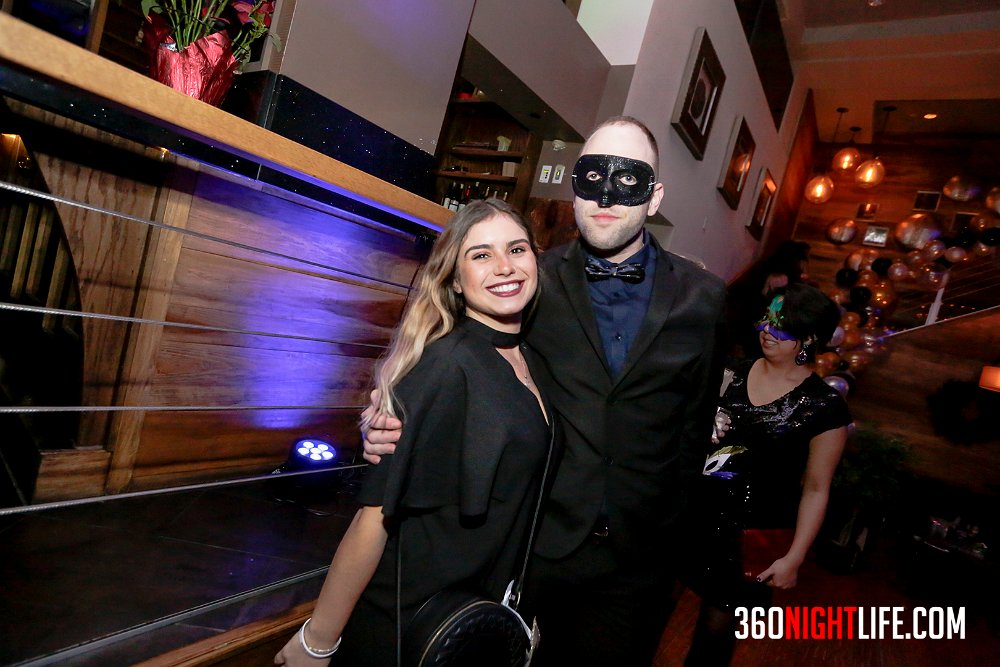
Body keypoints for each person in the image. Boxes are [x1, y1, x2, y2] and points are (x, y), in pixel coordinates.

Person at [364, 116, 727, 666]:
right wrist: (389, 409)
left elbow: (693, 425)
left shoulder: (706, 298)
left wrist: (668, 533)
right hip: (535, 541)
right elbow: (458, 351)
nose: (606, 194)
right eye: (592, 176)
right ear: (575, 189)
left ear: (654, 198)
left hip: (639, 556)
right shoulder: (532, 276)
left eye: (627, 179)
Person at [275, 198, 552, 666]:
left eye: (516, 249)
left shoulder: (528, 356)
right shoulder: (445, 365)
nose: (505, 267)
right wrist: (317, 640)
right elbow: (375, 517)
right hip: (409, 624)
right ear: (455, 281)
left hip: (470, 613)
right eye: (480, 255)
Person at [686, 283, 850, 665]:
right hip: (688, 516)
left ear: (808, 338)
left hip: (748, 537)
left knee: (714, 636)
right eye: (766, 318)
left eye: (780, 324)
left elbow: (815, 489)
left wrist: (794, 557)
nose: (766, 329)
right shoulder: (727, 372)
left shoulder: (825, 408)